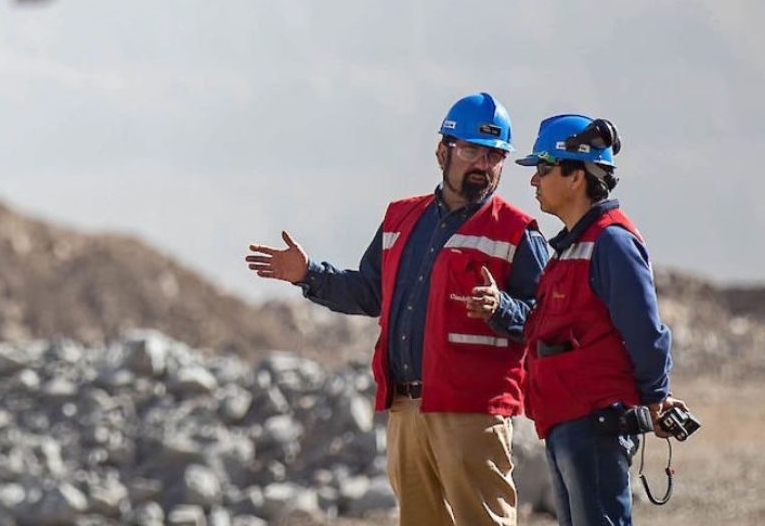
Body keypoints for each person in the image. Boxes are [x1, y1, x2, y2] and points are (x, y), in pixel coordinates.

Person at [246, 92, 550, 526]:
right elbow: (371, 292)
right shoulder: (401, 219)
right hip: (408, 410)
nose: (483, 164)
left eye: (494, 156)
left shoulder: (518, 233)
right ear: (442, 151)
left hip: (473, 413)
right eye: (470, 151)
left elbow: (545, 320)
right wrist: (309, 274)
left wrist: (502, 307)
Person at [500, 114, 683, 526]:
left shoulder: (611, 242)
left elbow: (644, 330)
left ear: (575, 176)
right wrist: (499, 310)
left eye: (543, 169)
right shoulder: (571, 248)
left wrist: (656, 396)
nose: (534, 181)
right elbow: (542, 329)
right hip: (567, 418)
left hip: (594, 423)